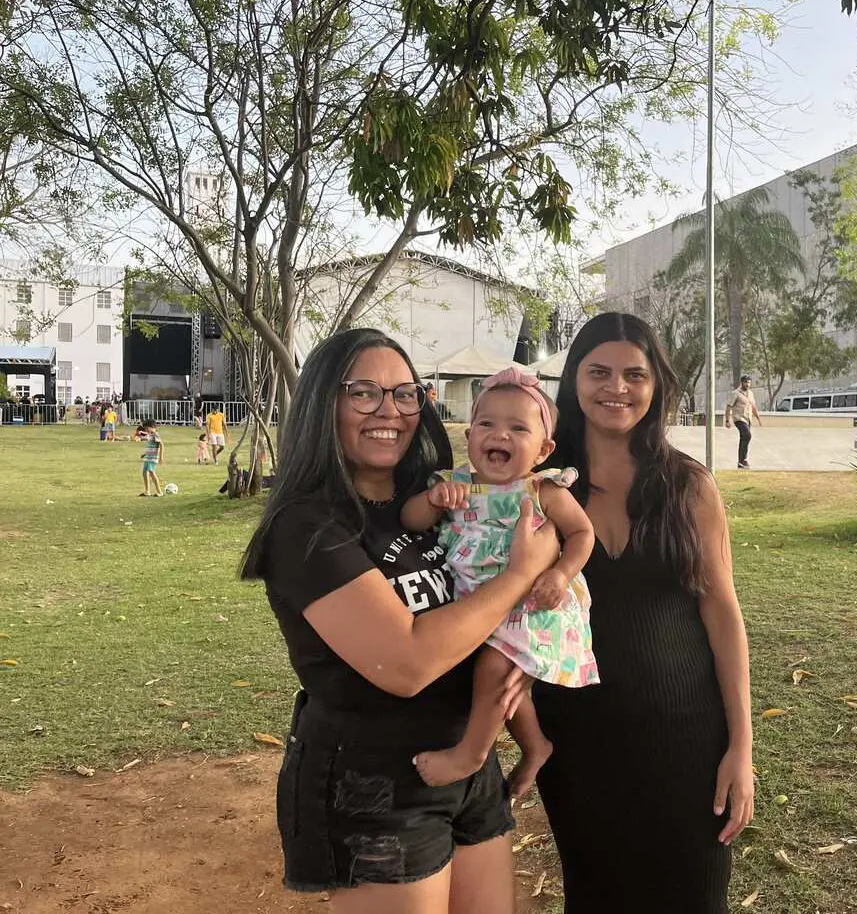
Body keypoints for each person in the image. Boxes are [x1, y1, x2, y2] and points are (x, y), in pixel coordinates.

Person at [240, 327, 560, 913]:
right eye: (363, 393)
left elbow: (533, 462)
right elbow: (406, 663)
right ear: (322, 404)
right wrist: (521, 576)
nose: (389, 410)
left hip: (467, 758)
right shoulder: (309, 527)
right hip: (377, 783)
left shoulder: (436, 496)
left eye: (405, 393)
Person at [533, 312, 753, 913]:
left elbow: (722, 613)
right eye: (598, 371)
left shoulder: (689, 487)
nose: (616, 388)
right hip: (576, 742)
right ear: (573, 380)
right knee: (597, 895)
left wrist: (741, 746)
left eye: (635, 373)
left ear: (657, 385)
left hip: (687, 739)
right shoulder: (538, 491)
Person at [401, 367, 597, 799]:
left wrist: (560, 573)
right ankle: (535, 746)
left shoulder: (542, 490)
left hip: (534, 602)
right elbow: (409, 519)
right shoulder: (455, 485)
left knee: (493, 667)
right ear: (470, 436)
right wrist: (433, 501)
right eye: (487, 424)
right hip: (480, 604)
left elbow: (584, 534)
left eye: (517, 427)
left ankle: (470, 754)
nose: (500, 435)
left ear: (543, 450)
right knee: (496, 676)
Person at [724, 374, 762, 469]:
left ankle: (741, 462)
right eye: (745, 382)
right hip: (739, 419)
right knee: (747, 435)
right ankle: (743, 460)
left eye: (749, 382)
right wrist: (727, 420)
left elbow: (753, 406)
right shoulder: (736, 393)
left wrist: (758, 418)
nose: (747, 384)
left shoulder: (751, 394)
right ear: (742, 383)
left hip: (747, 419)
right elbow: (729, 406)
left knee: (744, 439)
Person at [139, 420, 164, 496]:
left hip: (153, 458)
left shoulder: (155, 435)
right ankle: (147, 491)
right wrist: (145, 454)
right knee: (144, 473)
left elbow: (161, 445)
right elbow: (150, 447)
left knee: (152, 473)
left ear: (152, 427)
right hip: (148, 457)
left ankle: (160, 492)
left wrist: (161, 457)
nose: (146, 430)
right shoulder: (150, 435)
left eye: (147, 428)